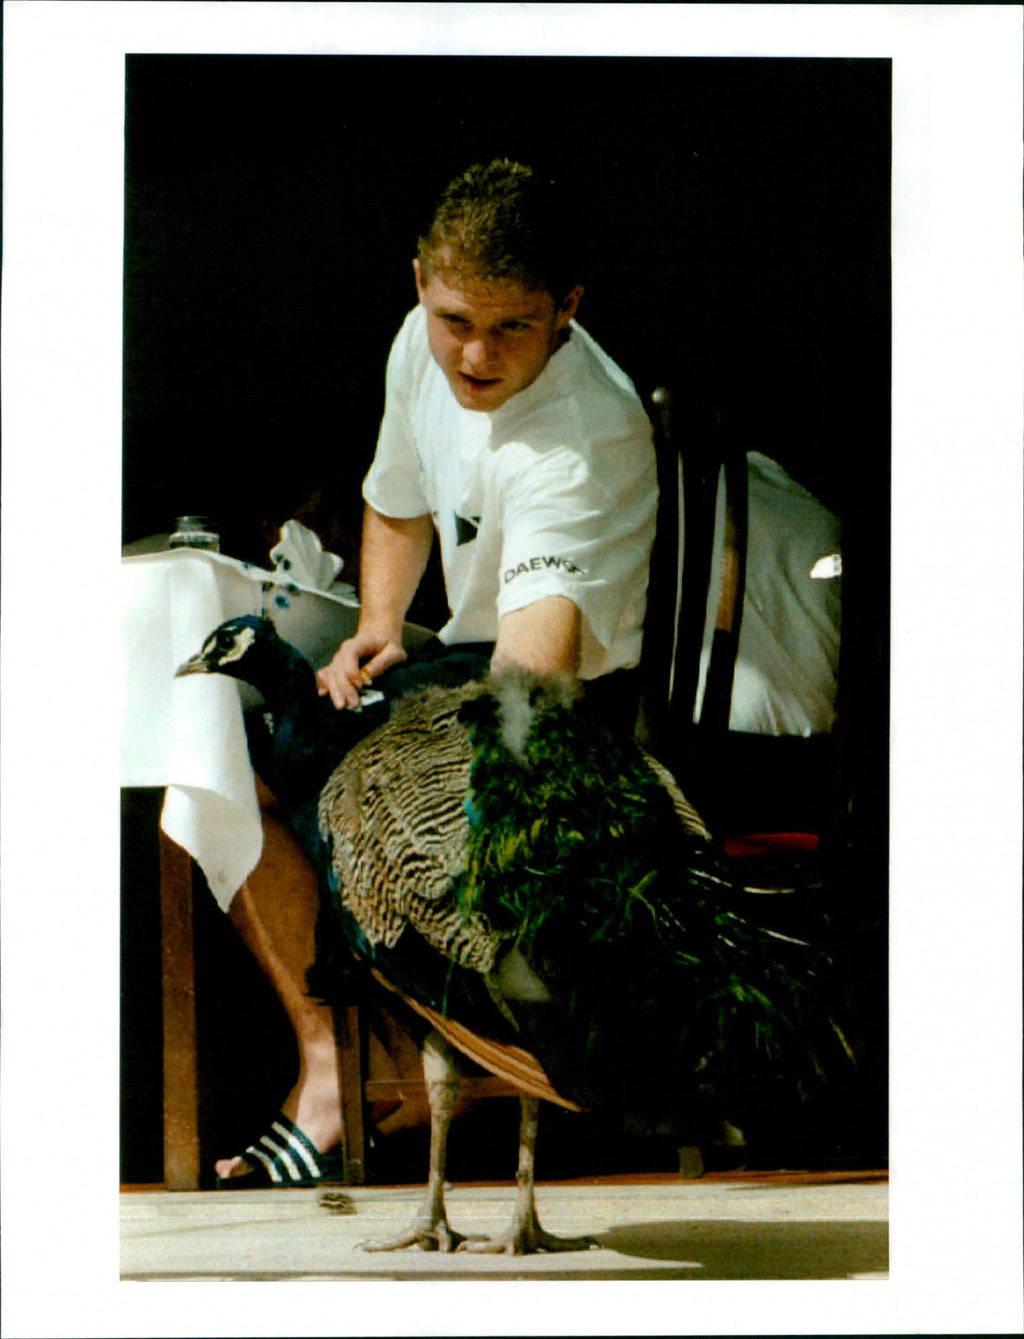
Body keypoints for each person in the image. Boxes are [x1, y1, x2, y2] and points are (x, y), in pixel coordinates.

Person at [214, 159, 658, 1186]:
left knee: (338, 768)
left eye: (512, 328)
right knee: (242, 747)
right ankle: (338, 1064)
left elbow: (533, 673)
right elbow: (397, 495)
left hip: (565, 701)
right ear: (420, 282)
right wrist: (379, 623)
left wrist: (419, 763)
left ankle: (408, 1067)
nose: (475, 353)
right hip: (470, 657)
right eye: (456, 319)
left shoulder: (583, 441)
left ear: (568, 308)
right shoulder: (421, 341)